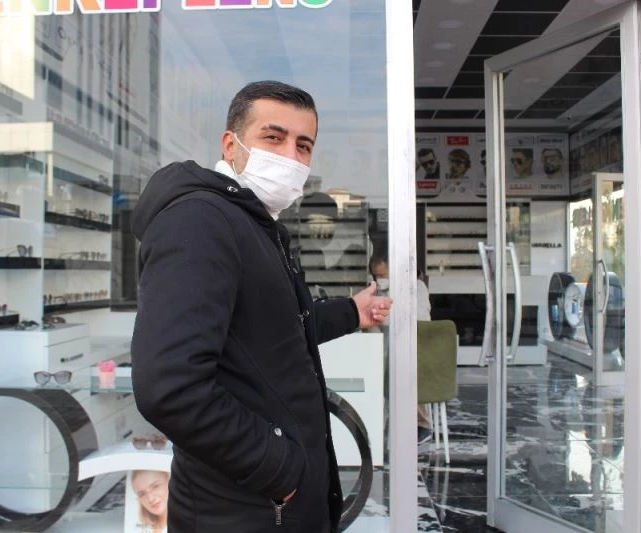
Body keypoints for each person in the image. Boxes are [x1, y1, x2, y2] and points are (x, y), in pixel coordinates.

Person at [130, 80, 393, 533]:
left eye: (303, 145)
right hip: (241, 510)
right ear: (231, 145)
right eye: (274, 137)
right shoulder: (200, 220)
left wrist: (352, 312)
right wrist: (278, 469)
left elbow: (274, 326)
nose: (290, 156)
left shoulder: (255, 224)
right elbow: (169, 385)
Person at [368, 255, 434, 444]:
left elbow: (420, 318)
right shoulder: (377, 290)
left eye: (383, 275)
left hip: (414, 349)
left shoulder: (417, 287)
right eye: (376, 275)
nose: (380, 279)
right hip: (386, 351)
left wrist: (384, 314)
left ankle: (422, 423)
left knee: (406, 368)